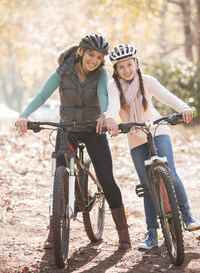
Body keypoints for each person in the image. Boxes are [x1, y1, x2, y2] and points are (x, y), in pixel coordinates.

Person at [15, 34, 132, 250]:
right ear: (81, 52)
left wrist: (105, 115)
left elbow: (103, 96)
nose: (94, 60)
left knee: (106, 179)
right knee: (60, 181)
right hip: (67, 129)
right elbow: (42, 95)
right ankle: (54, 231)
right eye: (91, 55)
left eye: (99, 57)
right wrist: (24, 115)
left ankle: (123, 232)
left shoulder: (101, 74)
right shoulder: (63, 71)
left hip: (93, 129)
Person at [102, 43, 200, 250]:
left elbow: (167, 97)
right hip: (135, 136)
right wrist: (110, 119)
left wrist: (183, 107)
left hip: (157, 129)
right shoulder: (113, 86)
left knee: (170, 173)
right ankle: (152, 233)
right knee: (147, 185)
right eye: (121, 67)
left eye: (130, 65)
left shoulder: (147, 81)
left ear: (136, 63)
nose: (127, 70)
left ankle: (187, 214)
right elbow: (112, 106)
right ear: (116, 70)